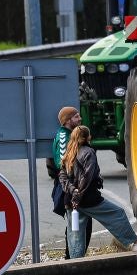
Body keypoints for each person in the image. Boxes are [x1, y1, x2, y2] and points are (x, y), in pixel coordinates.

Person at [60, 125, 137, 257]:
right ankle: (135, 243)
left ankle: (74, 265)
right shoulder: (88, 152)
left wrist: (72, 192)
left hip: (70, 200)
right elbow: (87, 178)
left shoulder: (69, 152)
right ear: (88, 137)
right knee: (117, 214)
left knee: (76, 236)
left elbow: (62, 176)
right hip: (87, 199)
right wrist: (77, 196)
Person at [51, 106, 86, 257]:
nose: (80, 119)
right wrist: (72, 189)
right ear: (67, 120)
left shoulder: (71, 134)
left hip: (73, 185)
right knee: (76, 226)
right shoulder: (64, 137)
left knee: (79, 225)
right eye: (76, 117)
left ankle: (74, 257)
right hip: (68, 186)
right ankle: (71, 258)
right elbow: (63, 164)